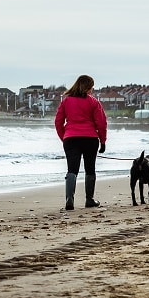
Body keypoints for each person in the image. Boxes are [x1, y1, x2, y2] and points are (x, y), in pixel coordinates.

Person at [54, 74, 108, 210]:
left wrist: (64, 137)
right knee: (90, 169)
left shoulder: (66, 101)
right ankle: (89, 200)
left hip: (71, 138)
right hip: (90, 139)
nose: (92, 90)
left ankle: (69, 200)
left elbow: (58, 122)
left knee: (72, 169)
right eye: (92, 87)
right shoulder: (93, 102)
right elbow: (101, 123)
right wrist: (103, 141)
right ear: (88, 87)